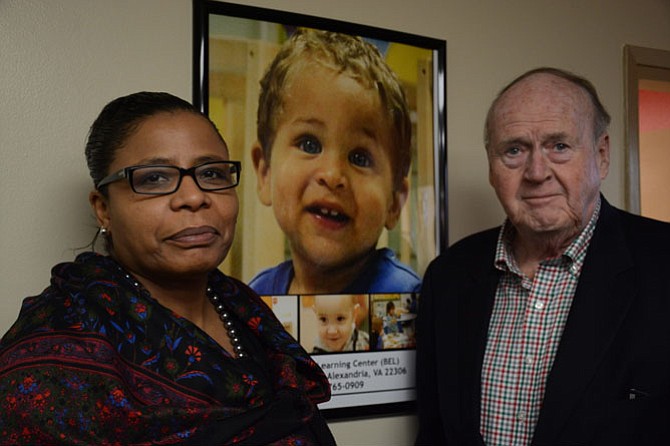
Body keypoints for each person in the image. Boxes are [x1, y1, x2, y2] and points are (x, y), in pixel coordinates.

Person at [0, 92, 336, 445]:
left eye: (211, 173)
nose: (194, 197)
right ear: (103, 209)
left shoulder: (245, 311)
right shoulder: (55, 352)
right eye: (154, 179)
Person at [415, 67, 670, 445]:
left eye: (559, 146)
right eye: (514, 150)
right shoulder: (448, 276)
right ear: (491, 166)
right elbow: (435, 431)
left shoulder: (662, 264)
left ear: (601, 155)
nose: (536, 172)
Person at [249, 29, 421, 295]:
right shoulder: (254, 298)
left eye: (359, 158)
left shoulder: (414, 301)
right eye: (309, 144)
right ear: (265, 172)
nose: (332, 175)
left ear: (395, 201)